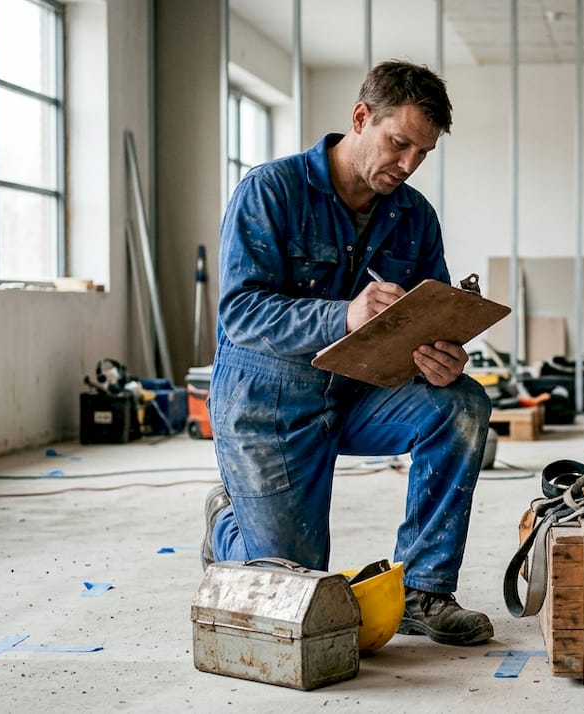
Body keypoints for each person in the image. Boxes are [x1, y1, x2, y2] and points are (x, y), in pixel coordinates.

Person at [201, 60, 494, 647]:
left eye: (422, 153)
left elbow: (430, 315)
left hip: (360, 391)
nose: (408, 165)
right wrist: (344, 314)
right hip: (267, 401)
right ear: (361, 118)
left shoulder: (415, 217)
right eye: (399, 143)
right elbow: (240, 313)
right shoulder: (270, 192)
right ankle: (228, 527)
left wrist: (442, 355)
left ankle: (423, 590)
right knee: (301, 596)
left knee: (459, 403)